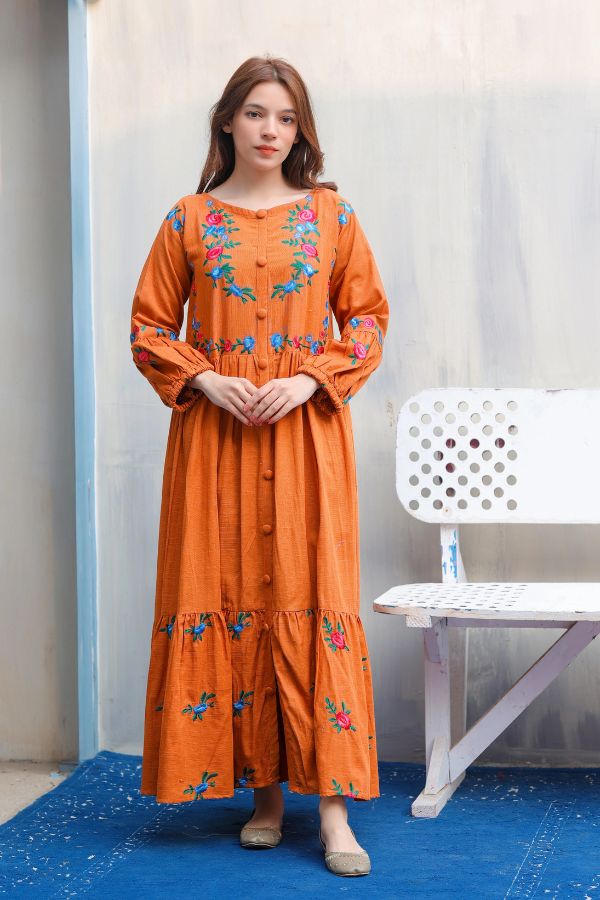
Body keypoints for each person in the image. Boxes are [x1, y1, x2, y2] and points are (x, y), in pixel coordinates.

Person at [129, 54, 389, 877]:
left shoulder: (332, 216)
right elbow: (146, 326)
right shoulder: (188, 221)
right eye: (254, 114)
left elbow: (370, 322)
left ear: (299, 130)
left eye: (284, 117)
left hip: (305, 440)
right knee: (235, 589)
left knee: (313, 596)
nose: (270, 130)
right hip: (216, 444)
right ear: (227, 123)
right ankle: (266, 797)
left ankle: (337, 814)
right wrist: (203, 377)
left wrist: (311, 378)